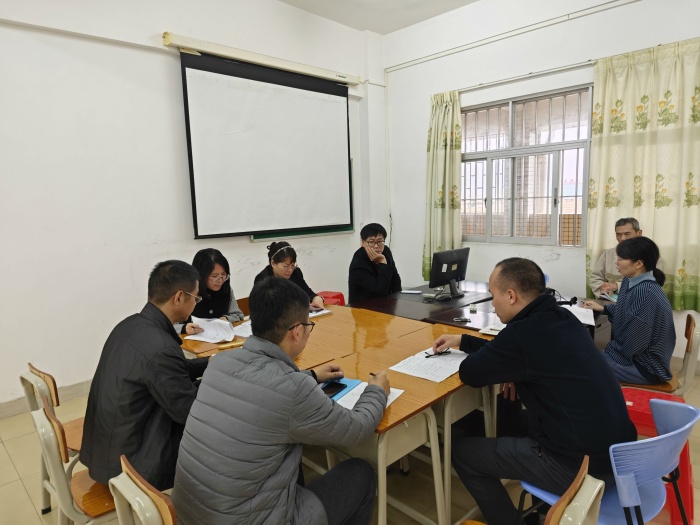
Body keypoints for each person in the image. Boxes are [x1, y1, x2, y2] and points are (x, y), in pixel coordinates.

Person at [432, 258, 636, 524]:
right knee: (514, 419)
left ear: (511, 295)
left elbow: (471, 373)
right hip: (617, 456)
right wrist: (464, 341)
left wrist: (509, 369)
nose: (492, 304)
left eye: (493, 296)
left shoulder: (522, 333)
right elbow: (516, 352)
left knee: (463, 453)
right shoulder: (562, 317)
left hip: (582, 470)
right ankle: (538, 510)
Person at [172, 277, 389, 525]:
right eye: (309, 325)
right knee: (361, 473)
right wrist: (376, 391)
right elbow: (357, 428)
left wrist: (310, 375)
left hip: (189, 514)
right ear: (296, 331)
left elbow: (262, 385)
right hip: (250, 519)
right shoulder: (294, 390)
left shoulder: (219, 363)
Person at [81, 260, 209, 490]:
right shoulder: (161, 348)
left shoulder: (130, 325)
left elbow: (171, 372)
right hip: (129, 465)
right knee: (219, 432)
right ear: (179, 297)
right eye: (196, 297)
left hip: (105, 449)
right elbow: (187, 411)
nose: (196, 303)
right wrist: (219, 381)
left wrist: (210, 364)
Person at [583, 236, 675, 384]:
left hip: (644, 366)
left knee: (579, 365)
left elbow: (635, 340)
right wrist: (603, 308)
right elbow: (625, 311)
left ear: (638, 264)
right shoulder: (628, 280)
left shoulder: (645, 291)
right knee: (582, 357)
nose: (616, 262)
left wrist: (608, 355)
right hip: (631, 356)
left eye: (620, 259)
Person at [181, 248, 244, 336]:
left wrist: (226, 318)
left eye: (223, 275)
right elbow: (168, 324)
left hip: (220, 339)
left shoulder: (226, 289)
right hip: (191, 341)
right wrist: (184, 328)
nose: (220, 280)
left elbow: (238, 315)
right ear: (201, 275)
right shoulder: (186, 292)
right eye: (214, 276)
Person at [254, 241, 324, 308]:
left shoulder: (296, 273)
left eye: (293, 265)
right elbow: (266, 308)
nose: (290, 270)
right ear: (273, 263)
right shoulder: (263, 280)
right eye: (286, 266)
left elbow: (308, 293)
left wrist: (316, 298)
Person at [348, 223, 402, 304]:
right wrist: (382, 262)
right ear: (363, 243)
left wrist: (398, 299)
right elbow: (381, 290)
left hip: (386, 304)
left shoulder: (386, 251)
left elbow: (395, 279)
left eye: (380, 241)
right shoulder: (358, 263)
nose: (376, 246)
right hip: (363, 306)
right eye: (371, 242)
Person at [589, 217, 643, 298]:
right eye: (618, 235)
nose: (622, 239)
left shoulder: (649, 255)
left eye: (627, 234)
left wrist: (617, 286)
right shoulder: (608, 254)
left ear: (639, 233)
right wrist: (604, 290)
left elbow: (651, 283)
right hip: (608, 300)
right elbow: (595, 277)